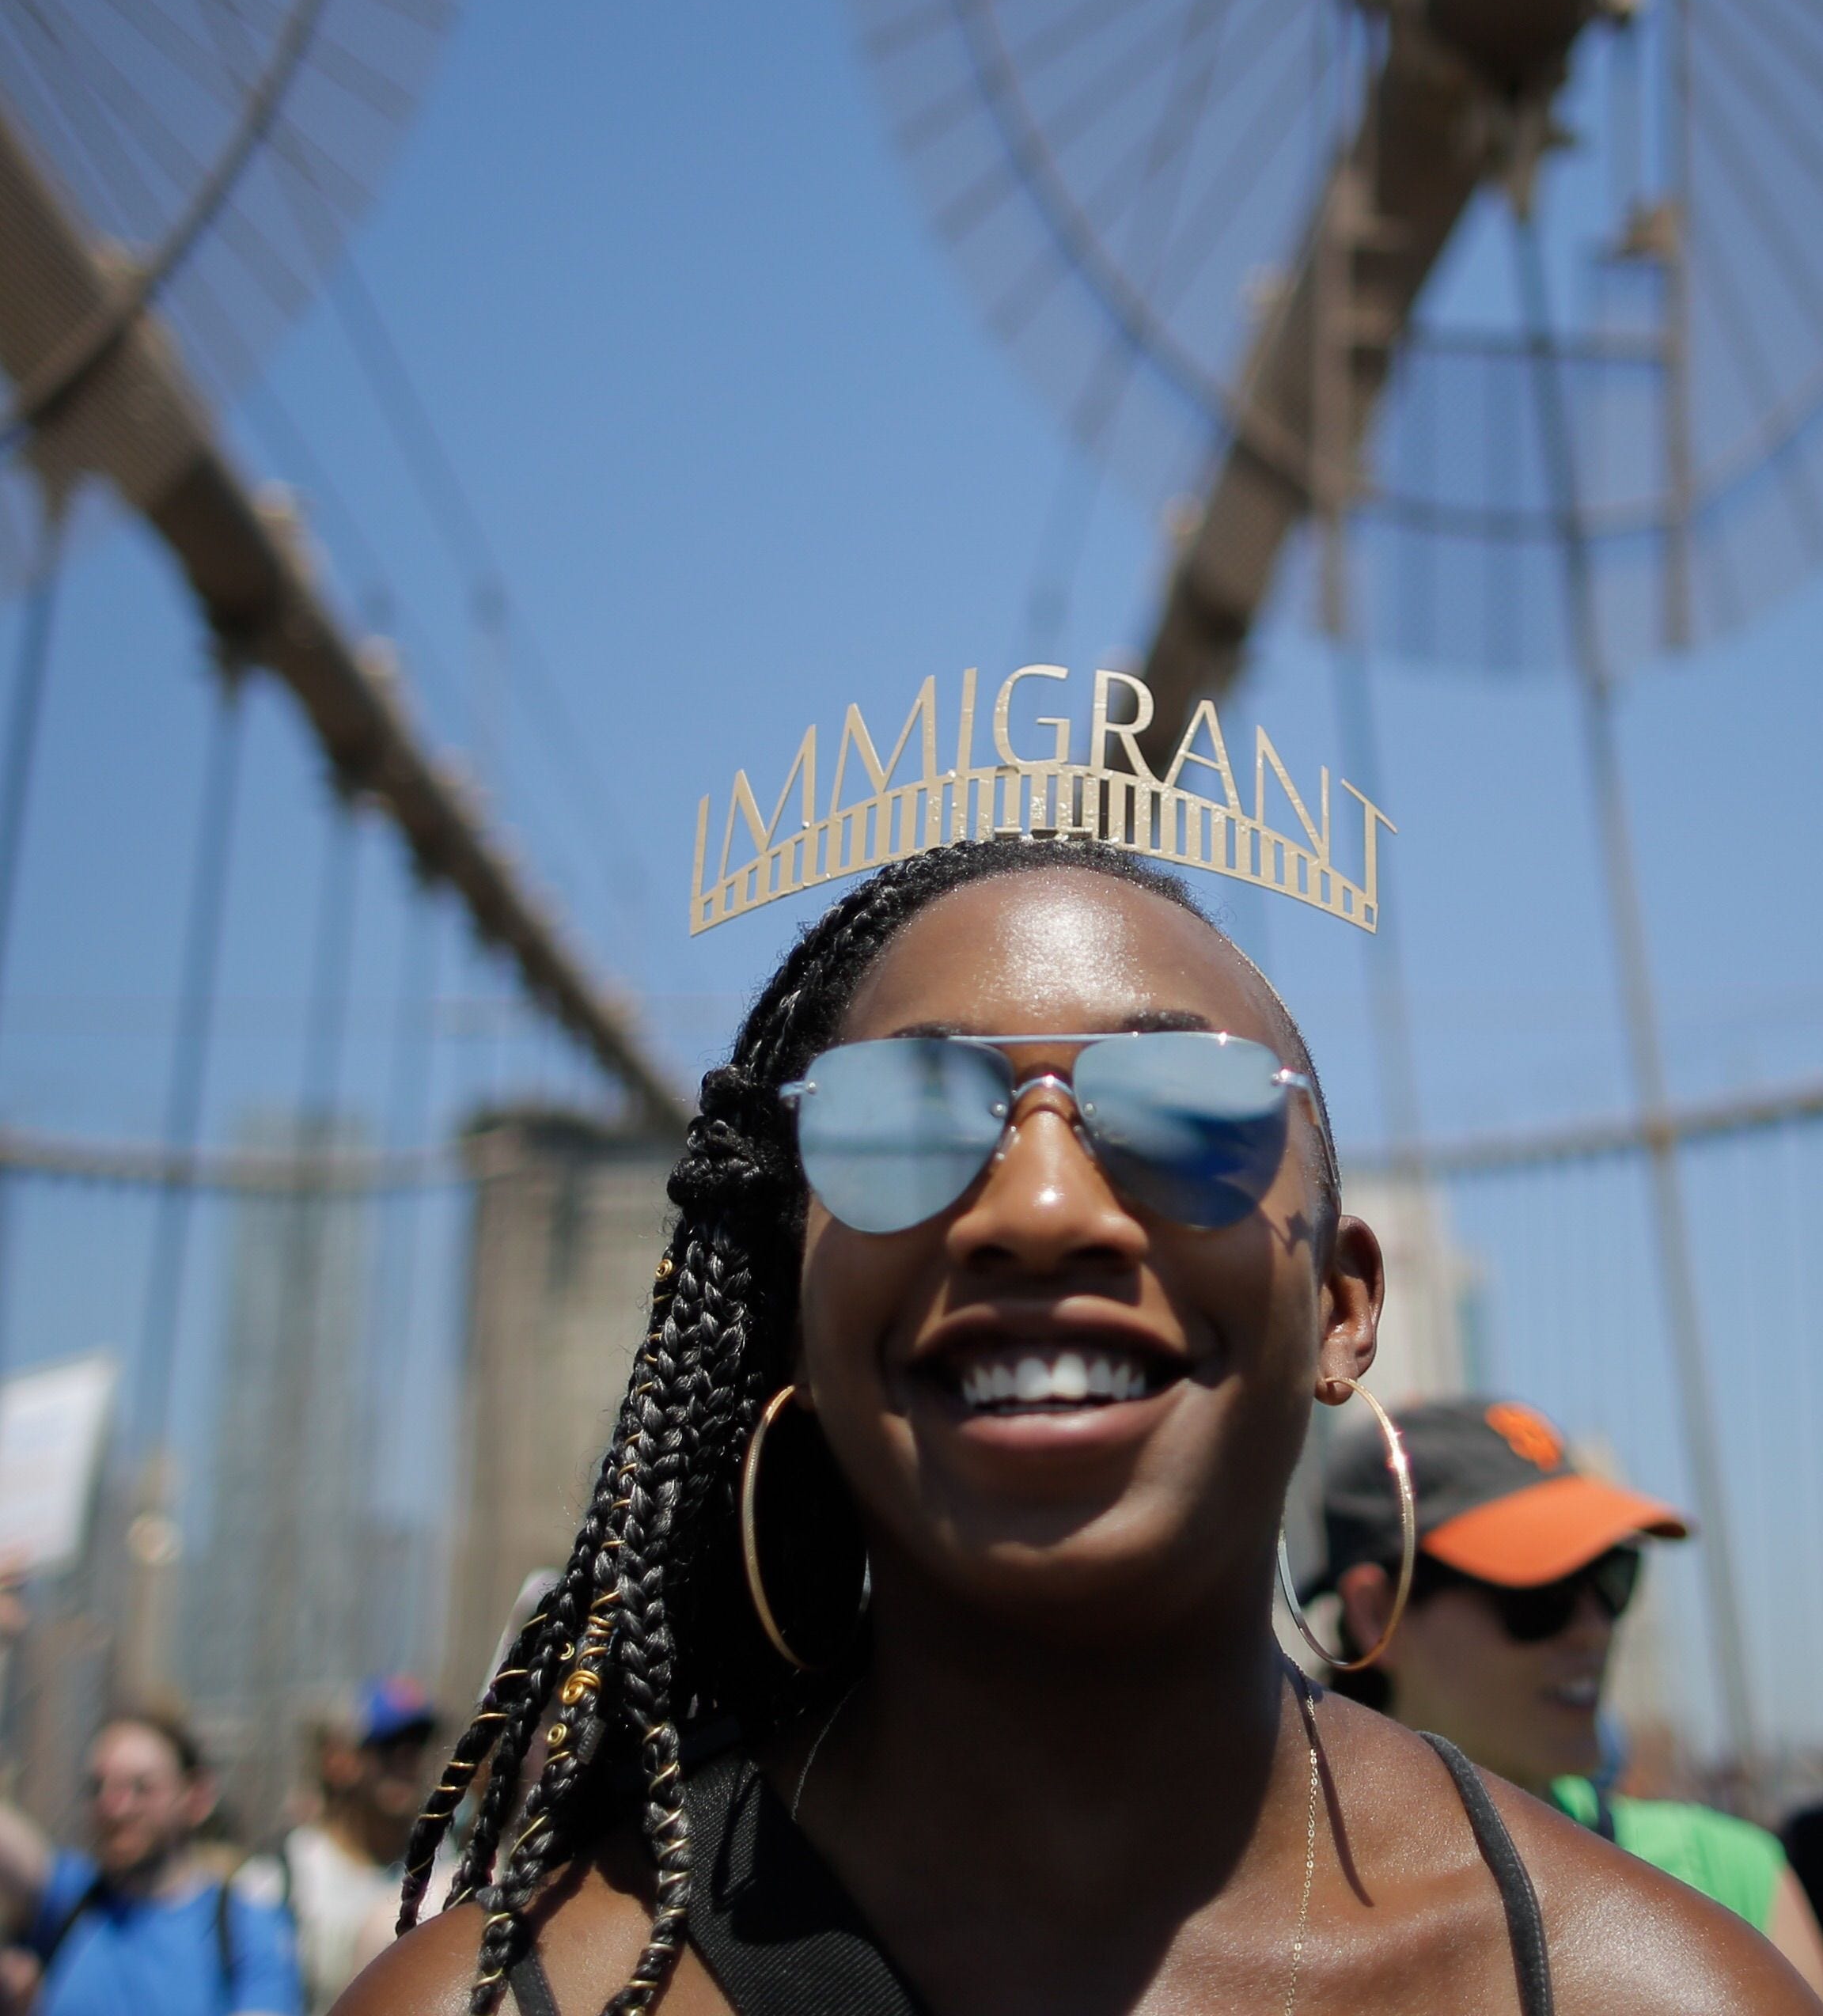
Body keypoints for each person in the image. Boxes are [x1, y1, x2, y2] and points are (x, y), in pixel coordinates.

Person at [339, 836, 1817, 2014]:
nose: (1038, 1209)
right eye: (906, 1121)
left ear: (1339, 1306)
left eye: (1181, 1110)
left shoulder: (1655, 1991)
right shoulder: (500, 1999)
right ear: (792, 1301)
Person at [1321, 1394, 1823, 1992]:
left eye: (1609, 1578)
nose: (1594, 1628)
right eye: (1541, 1595)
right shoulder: (1278, 1909)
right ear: (1380, 1613)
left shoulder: (1730, 1877)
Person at [0, 1703, 301, 2015]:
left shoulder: (244, 1926)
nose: (115, 1807)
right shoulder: (67, 1902)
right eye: (99, 1787)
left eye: (141, 1788)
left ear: (196, 1797)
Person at [279, 1679, 438, 2016]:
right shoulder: (288, 1873)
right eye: (387, 1747)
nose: (404, 1762)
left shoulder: (450, 1871)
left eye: (417, 1746)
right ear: (343, 1761)